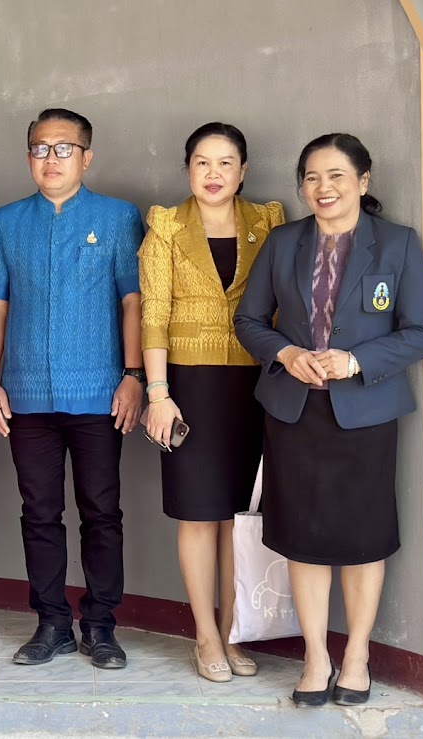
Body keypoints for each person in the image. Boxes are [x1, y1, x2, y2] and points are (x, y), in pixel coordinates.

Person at [234, 133, 423, 706]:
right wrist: (288, 354)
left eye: (336, 176)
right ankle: (316, 657)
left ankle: (357, 656)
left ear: (363, 182)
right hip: (294, 412)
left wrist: (356, 360)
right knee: (304, 539)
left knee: (363, 538)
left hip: (366, 412)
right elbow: (249, 321)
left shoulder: (396, 245)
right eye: (312, 178)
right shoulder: (283, 243)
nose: (323, 189)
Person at [0, 108, 144, 669]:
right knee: (38, 512)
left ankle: (100, 623)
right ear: (28, 157)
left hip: (100, 391)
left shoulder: (119, 218)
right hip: (26, 394)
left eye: (64, 148)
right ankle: (51, 622)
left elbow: (133, 302)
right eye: (41, 149)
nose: (51, 159)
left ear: (87, 156)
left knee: (102, 511)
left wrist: (135, 376)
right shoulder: (5, 222)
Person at [139, 122, 285, 683]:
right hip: (187, 388)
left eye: (226, 163)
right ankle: (205, 637)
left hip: (254, 386)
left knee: (237, 520)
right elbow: (153, 316)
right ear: (188, 169)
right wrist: (159, 395)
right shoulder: (168, 227)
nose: (214, 174)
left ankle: (234, 632)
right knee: (200, 516)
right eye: (202, 162)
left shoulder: (268, 223)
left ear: (243, 170)